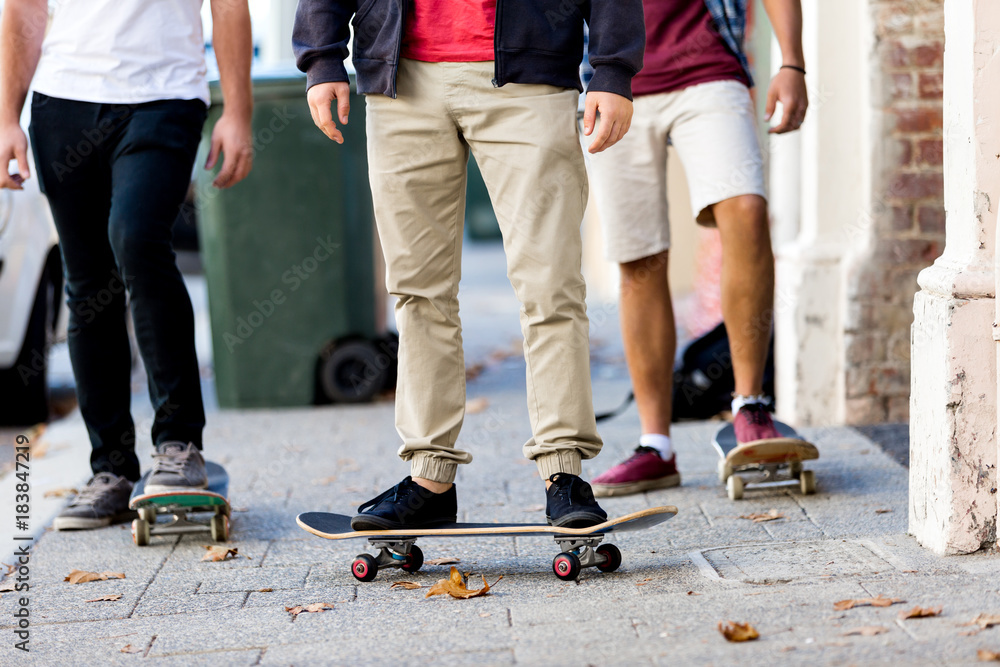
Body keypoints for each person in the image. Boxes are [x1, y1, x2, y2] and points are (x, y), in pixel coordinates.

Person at [294, 0, 643, 528]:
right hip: (400, 77)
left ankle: (564, 470)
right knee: (417, 291)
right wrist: (321, 58)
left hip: (530, 75)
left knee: (550, 283)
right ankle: (429, 475)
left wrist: (612, 68)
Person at [0, 0, 254, 528]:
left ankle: (180, 444)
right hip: (62, 104)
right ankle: (111, 470)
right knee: (88, 279)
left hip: (164, 98)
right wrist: (6, 117)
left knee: (137, 240)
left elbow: (229, 5)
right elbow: (24, 9)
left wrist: (238, 111)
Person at [588, 0, 809, 497]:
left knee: (747, 212)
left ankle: (751, 405)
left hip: (709, 68)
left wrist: (791, 60)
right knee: (639, 258)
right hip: (609, 77)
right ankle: (656, 446)